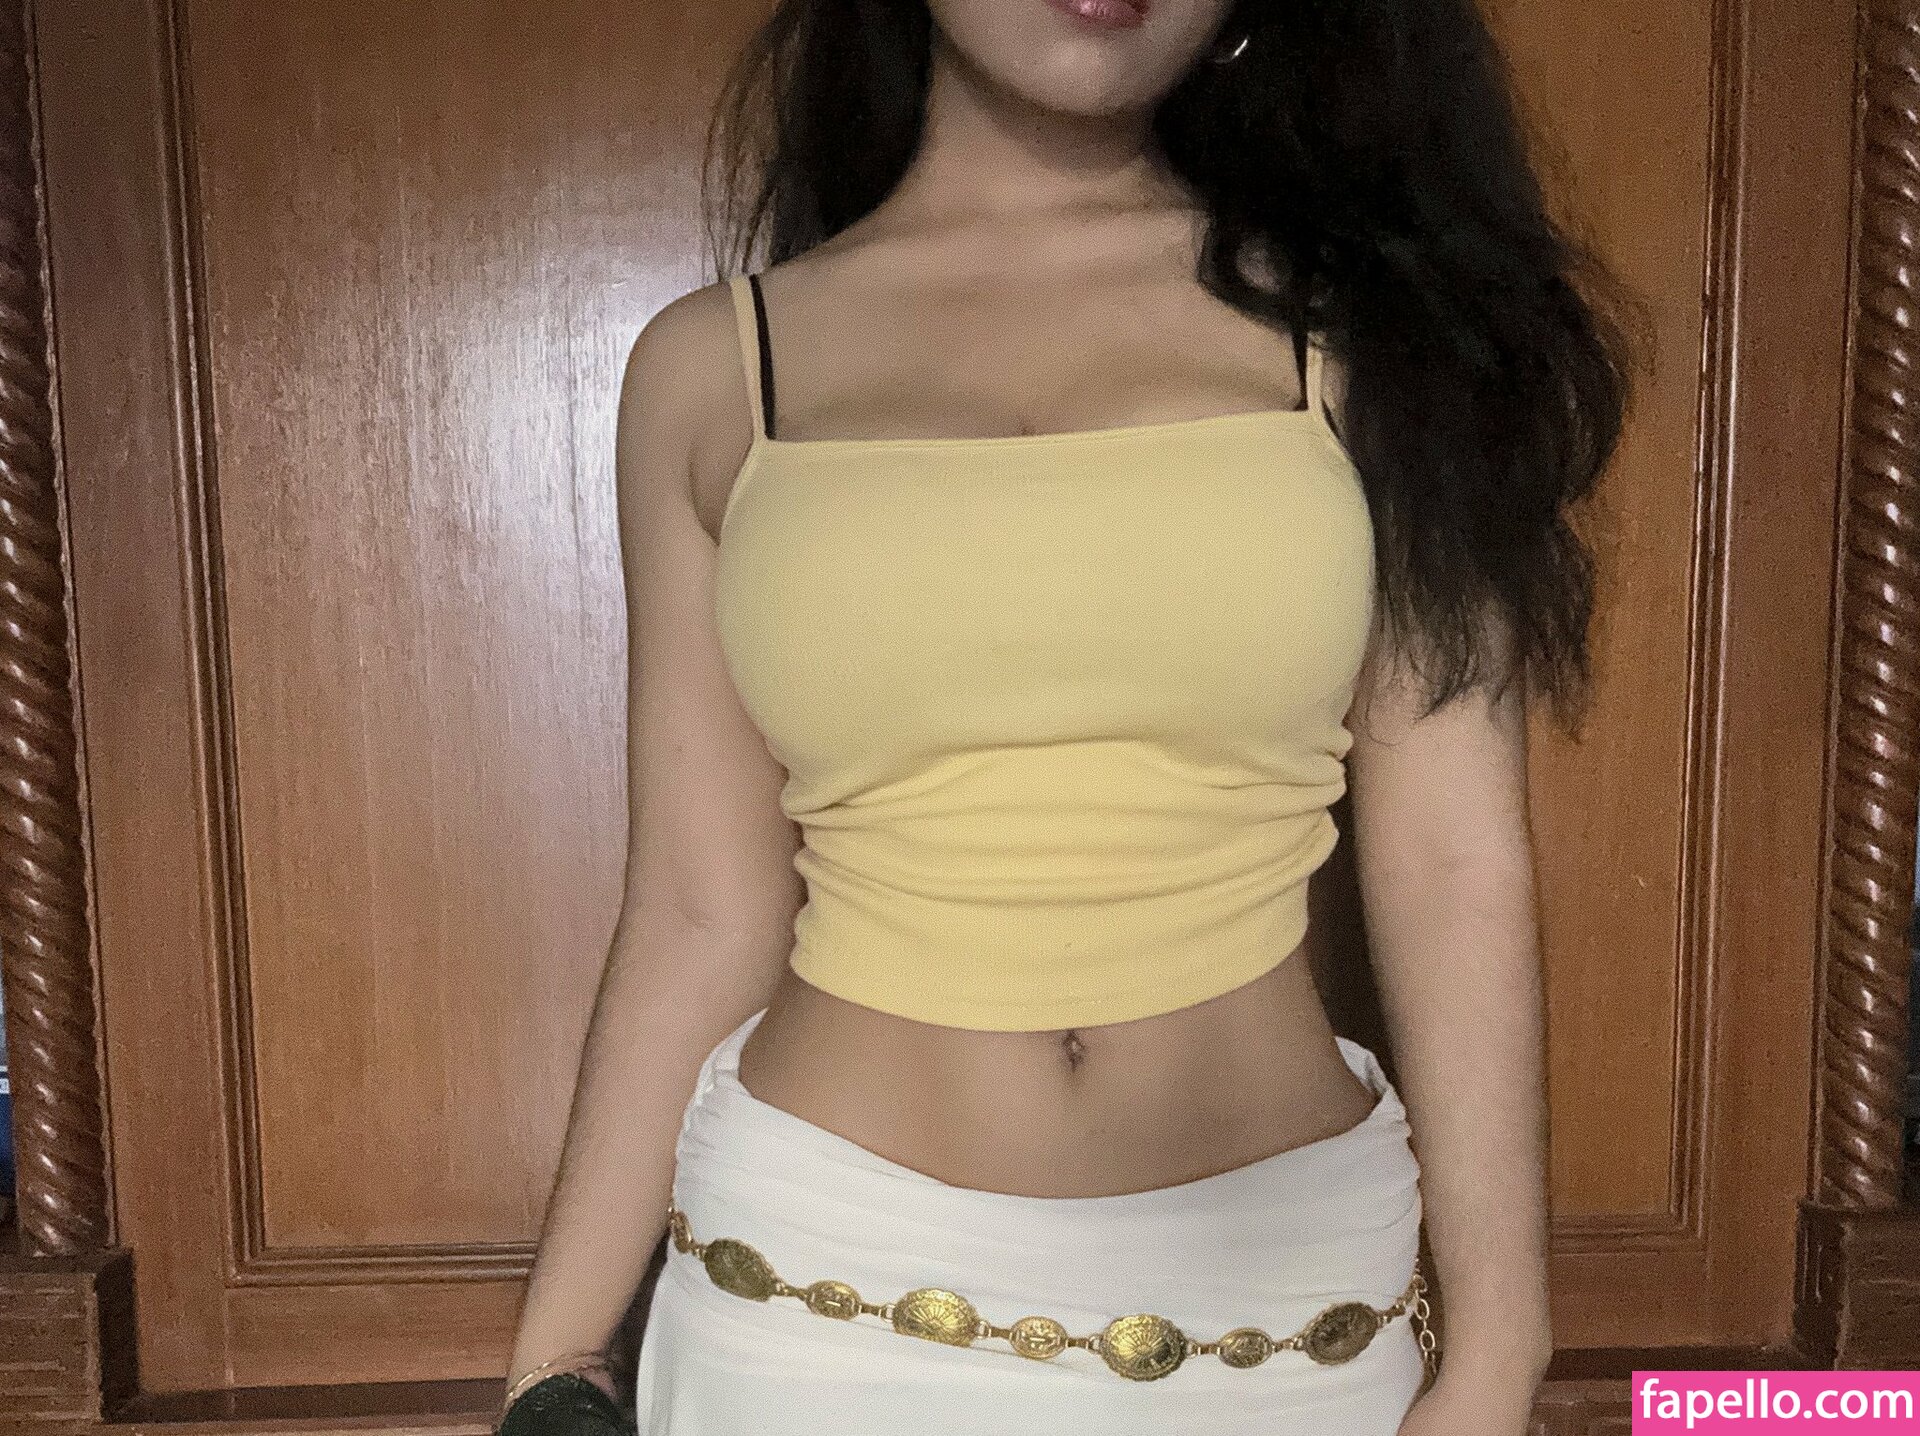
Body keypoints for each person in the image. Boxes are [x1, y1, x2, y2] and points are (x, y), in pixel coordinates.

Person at [500, 0, 1635, 1432]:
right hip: (811, 1304)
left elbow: (1454, 865)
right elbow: (696, 907)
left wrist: (1501, 1350)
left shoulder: (1383, 341)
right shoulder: (710, 372)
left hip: (1282, 1324)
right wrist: (550, 1367)